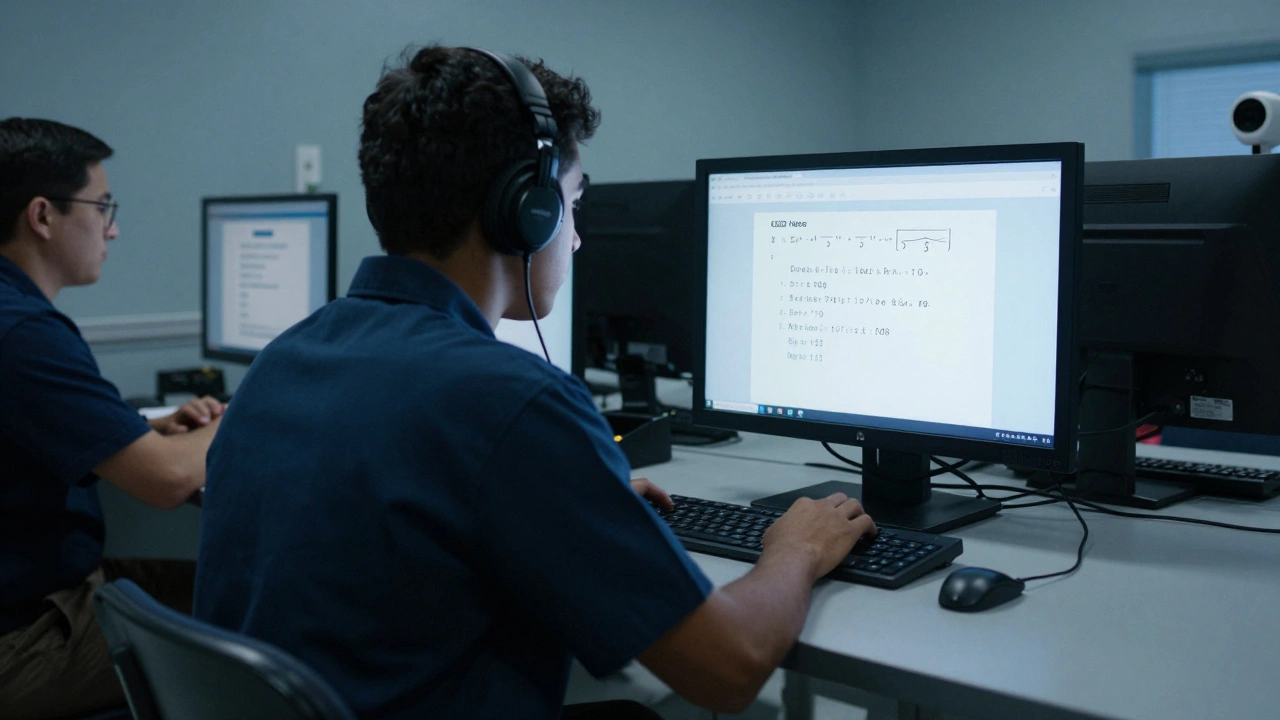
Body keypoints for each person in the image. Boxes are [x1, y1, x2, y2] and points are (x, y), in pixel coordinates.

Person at [192, 45, 875, 719]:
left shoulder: (285, 360)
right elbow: (730, 668)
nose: (575, 237)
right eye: (572, 203)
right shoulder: (513, 403)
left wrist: (566, 498)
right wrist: (797, 548)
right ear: (525, 210)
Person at [0, 117, 224, 719]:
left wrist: (140, 433)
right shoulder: (23, 333)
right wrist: (246, 411)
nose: (114, 229)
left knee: (229, 585)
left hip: (33, 599)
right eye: (102, 207)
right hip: (20, 639)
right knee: (253, 602)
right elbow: (167, 483)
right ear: (42, 216)